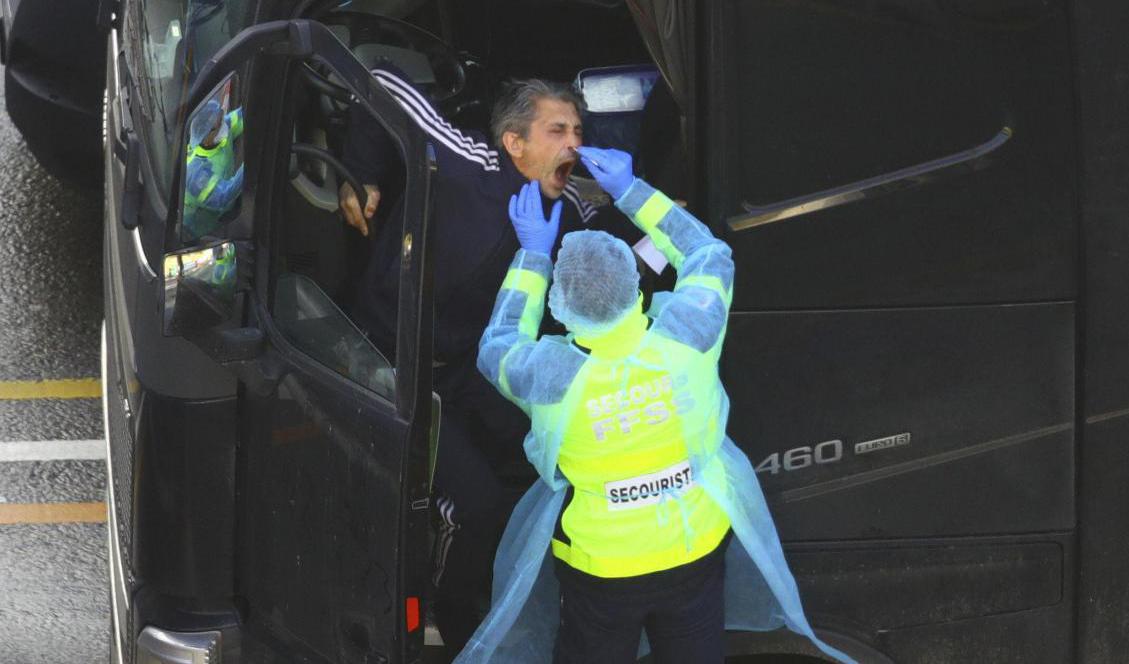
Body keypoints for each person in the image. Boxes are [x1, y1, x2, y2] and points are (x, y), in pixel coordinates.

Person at [461, 147, 853, 664]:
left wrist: (532, 257)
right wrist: (631, 191)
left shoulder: (549, 376)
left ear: (564, 305)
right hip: (693, 551)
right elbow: (707, 253)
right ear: (636, 289)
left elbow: (498, 343)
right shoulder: (688, 336)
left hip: (602, 569)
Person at [338, 69, 653, 656]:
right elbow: (381, 82)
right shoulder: (471, 165)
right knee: (475, 504)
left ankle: (518, 584)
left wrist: (649, 205)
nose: (574, 145)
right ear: (515, 143)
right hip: (385, 359)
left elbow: (630, 251)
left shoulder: (570, 207)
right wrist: (363, 173)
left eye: (578, 132)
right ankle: (448, 611)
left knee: (546, 456)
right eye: (557, 131)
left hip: (468, 367)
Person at [183, 99, 244, 241]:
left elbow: (244, 116)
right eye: (219, 124)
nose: (224, 122)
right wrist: (254, 159)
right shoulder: (195, 173)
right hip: (202, 230)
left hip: (225, 211)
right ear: (205, 138)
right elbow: (223, 196)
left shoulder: (220, 129)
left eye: (221, 115)